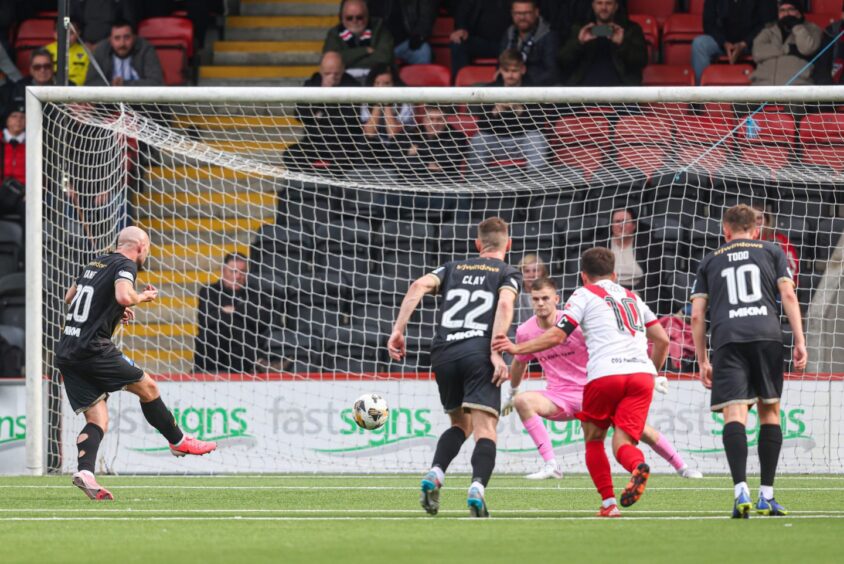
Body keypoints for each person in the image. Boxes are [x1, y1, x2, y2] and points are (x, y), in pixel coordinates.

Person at [493, 247, 670, 517]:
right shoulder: (633, 297)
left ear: (583, 276)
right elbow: (663, 340)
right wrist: (653, 372)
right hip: (641, 376)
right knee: (623, 441)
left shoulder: (584, 294)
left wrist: (517, 349)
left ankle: (609, 504)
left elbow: (557, 335)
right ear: (613, 274)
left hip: (605, 374)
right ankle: (637, 466)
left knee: (594, 439)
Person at [54, 226, 217, 501]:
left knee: (98, 419)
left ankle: (85, 473)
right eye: (148, 249)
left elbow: (71, 298)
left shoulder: (95, 261)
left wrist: (113, 311)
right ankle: (178, 441)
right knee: (148, 388)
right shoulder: (126, 264)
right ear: (141, 247)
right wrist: (141, 297)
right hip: (94, 350)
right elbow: (123, 295)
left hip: (68, 351)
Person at [503, 277, 703, 480]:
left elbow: (614, 344)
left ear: (556, 299)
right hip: (558, 396)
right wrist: (512, 391)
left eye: (545, 298)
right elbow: (520, 362)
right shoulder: (524, 331)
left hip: (593, 390)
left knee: (640, 430)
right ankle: (551, 465)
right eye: (535, 299)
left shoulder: (576, 324)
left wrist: (652, 374)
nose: (540, 303)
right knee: (523, 401)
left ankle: (682, 466)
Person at [387, 217, 522, 518]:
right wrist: (497, 353)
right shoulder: (507, 272)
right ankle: (477, 488)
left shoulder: (452, 268)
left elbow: (417, 285)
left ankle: (436, 472)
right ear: (508, 244)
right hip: (479, 353)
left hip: (444, 353)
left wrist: (398, 330)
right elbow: (503, 305)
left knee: (460, 424)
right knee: (485, 427)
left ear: (477, 244)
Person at [690, 204, 807, 518]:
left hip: (729, 338)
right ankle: (766, 495)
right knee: (770, 411)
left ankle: (739, 490)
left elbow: (698, 314)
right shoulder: (771, 251)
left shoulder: (709, 261)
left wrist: (702, 359)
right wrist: (799, 338)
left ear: (725, 230)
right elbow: (789, 295)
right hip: (768, 335)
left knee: (735, 412)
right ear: (756, 229)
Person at [467, 49, 550, 173]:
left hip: (523, 140)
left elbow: (539, 124)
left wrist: (519, 110)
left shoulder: (533, 89)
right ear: (500, 70)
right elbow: (482, 125)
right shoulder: (490, 90)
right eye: (506, 71)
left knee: (537, 139)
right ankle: (477, 187)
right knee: (478, 140)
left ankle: (536, 187)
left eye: (514, 71)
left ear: (522, 69)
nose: (510, 75)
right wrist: (495, 111)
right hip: (496, 141)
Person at [283, 51, 362, 170]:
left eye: (336, 74)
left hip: (343, 144)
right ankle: (303, 187)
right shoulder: (311, 85)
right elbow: (299, 114)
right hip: (313, 142)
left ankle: (337, 188)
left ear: (343, 70)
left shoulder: (353, 86)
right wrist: (323, 94)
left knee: (348, 159)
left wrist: (319, 114)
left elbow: (347, 119)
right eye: (327, 73)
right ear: (321, 71)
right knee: (291, 155)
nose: (332, 78)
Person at [194, 253, 269, 375]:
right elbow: (208, 319)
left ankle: (257, 362)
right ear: (224, 271)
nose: (238, 276)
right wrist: (243, 313)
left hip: (240, 354)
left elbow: (262, 319)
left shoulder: (254, 294)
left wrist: (233, 311)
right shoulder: (209, 291)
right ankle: (259, 361)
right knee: (230, 324)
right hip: (215, 348)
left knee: (232, 326)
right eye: (233, 271)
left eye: (242, 271)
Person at [557, 0, 647, 87]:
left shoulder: (630, 29)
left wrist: (622, 44)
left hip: (621, 93)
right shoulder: (580, 29)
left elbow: (641, 61)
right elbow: (562, 62)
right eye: (599, 3)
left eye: (609, 3)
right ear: (593, 5)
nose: (604, 7)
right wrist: (579, 42)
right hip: (584, 93)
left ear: (616, 6)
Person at [691, 0, 778, 85]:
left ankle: (766, 89)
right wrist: (723, 43)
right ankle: (701, 94)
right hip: (722, 42)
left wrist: (744, 43)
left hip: (752, 42)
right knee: (699, 44)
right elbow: (708, 24)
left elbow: (766, 24)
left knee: (770, 42)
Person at [751, 1, 823, 86]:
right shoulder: (769, 30)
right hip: (763, 86)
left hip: (797, 87)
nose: (786, 14)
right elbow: (757, 52)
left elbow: (807, 49)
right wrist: (787, 49)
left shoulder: (812, 29)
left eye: (790, 9)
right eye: (782, 10)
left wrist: (797, 27)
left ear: (799, 12)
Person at [323, 0, 394, 80]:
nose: (354, 21)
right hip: (343, 82)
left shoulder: (380, 30)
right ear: (341, 18)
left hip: (376, 82)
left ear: (367, 16)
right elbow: (330, 61)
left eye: (359, 17)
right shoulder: (334, 34)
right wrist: (364, 51)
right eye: (349, 18)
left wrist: (348, 59)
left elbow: (384, 58)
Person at [359, 64, 414, 165]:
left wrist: (387, 103)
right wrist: (378, 104)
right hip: (376, 147)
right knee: (364, 142)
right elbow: (369, 132)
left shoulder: (405, 102)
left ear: (394, 84)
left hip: (397, 148)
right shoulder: (366, 101)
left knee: (399, 142)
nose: (381, 88)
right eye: (377, 83)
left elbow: (393, 133)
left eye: (386, 84)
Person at [84, 20, 164, 87]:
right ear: (110, 39)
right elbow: (90, 83)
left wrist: (124, 84)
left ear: (134, 37)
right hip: (110, 102)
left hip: (141, 101)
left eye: (127, 37)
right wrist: (112, 84)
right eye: (117, 38)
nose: (122, 43)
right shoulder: (101, 50)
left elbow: (156, 83)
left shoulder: (145, 48)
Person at [501, 0, 559, 86]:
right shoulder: (509, 33)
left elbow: (552, 72)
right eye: (518, 13)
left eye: (526, 13)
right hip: (511, 88)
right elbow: (501, 64)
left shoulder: (548, 36)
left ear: (536, 12)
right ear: (512, 14)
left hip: (540, 90)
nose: (522, 17)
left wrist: (526, 85)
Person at [401, 104, 469, 178]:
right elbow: (397, 160)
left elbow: (449, 160)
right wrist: (427, 164)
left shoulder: (457, 137)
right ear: (424, 120)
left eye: (439, 119)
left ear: (445, 121)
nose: (434, 123)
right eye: (431, 119)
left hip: (444, 183)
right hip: (411, 182)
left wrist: (419, 149)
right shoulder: (411, 133)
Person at [450, 0, 511, 79]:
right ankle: (462, 85)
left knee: (516, 46)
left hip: (506, 43)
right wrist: (461, 30)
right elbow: (461, 13)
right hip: (479, 42)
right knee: (458, 44)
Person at [368, 0, 438, 65]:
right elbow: (363, 17)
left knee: (423, 51)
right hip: (380, 44)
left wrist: (419, 35)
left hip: (406, 42)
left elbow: (426, 15)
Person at [754, 204, 799, 283]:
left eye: (759, 218)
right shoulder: (743, 240)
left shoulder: (780, 240)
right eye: (751, 219)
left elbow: (793, 267)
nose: (755, 222)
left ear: (767, 220)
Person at [44, 18, 90, 87]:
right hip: (52, 88)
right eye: (63, 32)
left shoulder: (86, 52)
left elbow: (87, 76)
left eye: (71, 33)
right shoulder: (46, 51)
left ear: (78, 33)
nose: (67, 36)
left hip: (77, 90)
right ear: (55, 33)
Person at [70, 0, 137, 45]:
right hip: (83, 46)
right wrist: (84, 43)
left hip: (112, 45)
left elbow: (128, 24)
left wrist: (105, 44)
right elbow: (73, 24)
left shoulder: (120, 2)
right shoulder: (79, 2)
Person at [0, 103, 24, 221]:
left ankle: (28, 240)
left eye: (22, 117)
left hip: (24, 194)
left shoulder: (35, 140)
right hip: (1, 190)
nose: (18, 120)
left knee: (31, 210)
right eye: (14, 116)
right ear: (7, 119)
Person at [516, 254, 548, 322]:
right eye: (527, 271)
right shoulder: (515, 295)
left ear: (543, 272)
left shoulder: (553, 292)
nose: (531, 275)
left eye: (535, 271)